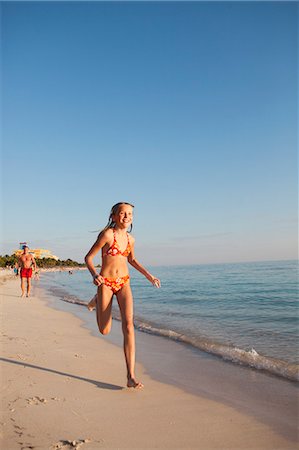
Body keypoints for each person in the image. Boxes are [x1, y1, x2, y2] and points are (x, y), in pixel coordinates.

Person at [85, 202, 161, 389]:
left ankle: (131, 376)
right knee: (105, 330)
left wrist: (149, 275)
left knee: (128, 325)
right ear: (113, 216)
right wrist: (95, 275)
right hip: (106, 283)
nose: (127, 216)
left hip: (124, 282)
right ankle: (97, 298)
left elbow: (132, 259)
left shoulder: (131, 239)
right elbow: (88, 258)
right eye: (122, 213)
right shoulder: (107, 235)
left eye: (130, 214)